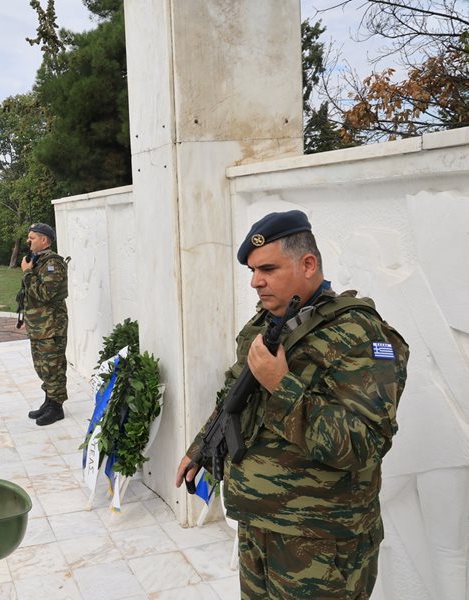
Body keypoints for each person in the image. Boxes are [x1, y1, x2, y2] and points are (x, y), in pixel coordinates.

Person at [175, 210, 409, 599]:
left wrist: (281, 384)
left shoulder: (361, 335)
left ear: (308, 264)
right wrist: (202, 445)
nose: (255, 282)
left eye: (267, 268)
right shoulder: (265, 322)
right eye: (252, 271)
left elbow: (363, 444)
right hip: (257, 525)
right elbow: (235, 395)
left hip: (320, 542)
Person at [20, 223, 69, 427]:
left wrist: (27, 273)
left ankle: (57, 408)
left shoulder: (53, 264)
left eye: (32, 237)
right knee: (42, 367)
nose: (28, 241)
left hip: (51, 327)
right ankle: (49, 401)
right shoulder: (38, 261)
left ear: (44, 241)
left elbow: (44, 294)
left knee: (53, 367)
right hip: (39, 327)